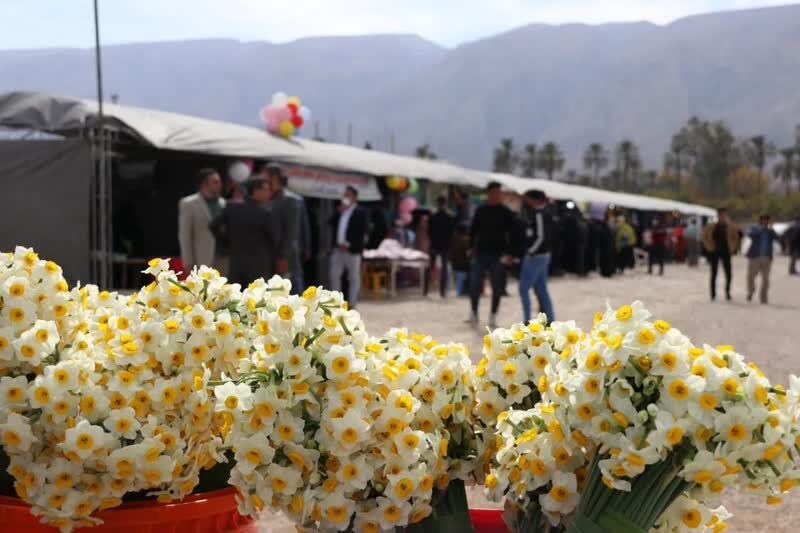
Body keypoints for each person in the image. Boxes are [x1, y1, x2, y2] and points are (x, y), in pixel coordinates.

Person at [209, 177, 277, 286]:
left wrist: (225, 242)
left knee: (236, 298)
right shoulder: (265, 213)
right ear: (255, 191)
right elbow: (274, 239)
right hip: (259, 266)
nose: (269, 193)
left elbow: (213, 226)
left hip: (236, 263)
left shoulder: (232, 207)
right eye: (266, 189)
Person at [468, 182, 515, 328]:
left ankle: (493, 315)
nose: (497, 195)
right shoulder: (481, 210)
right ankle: (474, 312)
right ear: (488, 193)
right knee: (475, 284)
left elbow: (512, 234)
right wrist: (470, 247)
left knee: (497, 286)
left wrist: (510, 253)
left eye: (499, 192)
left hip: (498, 254)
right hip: (481, 253)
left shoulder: (506, 212)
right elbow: (473, 230)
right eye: (494, 192)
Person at [263, 164, 306, 292]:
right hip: (268, 260)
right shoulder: (265, 199)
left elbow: (291, 233)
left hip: (286, 262)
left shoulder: (289, 200)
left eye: (265, 176)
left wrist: (283, 257)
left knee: (293, 298)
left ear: (275, 177)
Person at [178, 168, 226, 273]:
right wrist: (188, 262)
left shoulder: (223, 203)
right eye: (215, 182)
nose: (220, 185)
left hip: (224, 258)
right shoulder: (189, 203)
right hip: (203, 259)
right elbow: (185, 235)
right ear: (204, 184)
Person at [518, 190, 555, 323]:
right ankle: (550, 320)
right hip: (544, 254)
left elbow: (540, 236)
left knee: (523, 289)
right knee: (542, 290)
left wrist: (530, 251)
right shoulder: (546, 213)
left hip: (536, 256)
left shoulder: (539, 214)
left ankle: (527, 320)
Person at [329, 186, 368, 307]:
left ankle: (352, 304)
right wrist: (339, 211)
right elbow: (329, 222)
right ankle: (336, 303)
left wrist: (350, 244)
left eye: (348, 195)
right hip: (338, 249)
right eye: (345, 195)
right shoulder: (341, 211)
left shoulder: (360, 212)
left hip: (352, 250)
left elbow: (363, 231)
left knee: (353, 278)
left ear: (354, 198)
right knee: (334, 275)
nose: (346, 197)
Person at [702, 208, 739, 301]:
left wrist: (733, 247)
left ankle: (727, 292)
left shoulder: (731, 226)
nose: (722, 217)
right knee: (713, 273)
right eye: (721, 215)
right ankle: (713, 294)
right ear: (718, 216)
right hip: (714, 251)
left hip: (726, 252)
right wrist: (709, 247)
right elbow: (704, 237)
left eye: (724, 215)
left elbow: (736, 237)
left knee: (728, 274)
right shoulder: (711, 226)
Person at [746, 214, 780, 304]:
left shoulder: (770, 231)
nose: (765, 221)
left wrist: (771, 229)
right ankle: (751, 291)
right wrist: (761, 229)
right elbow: (750, 235)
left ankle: (763, 298)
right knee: (750, 277)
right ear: (760, 220)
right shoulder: (754, 227)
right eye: (764, 220)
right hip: (755, 257)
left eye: (767, 220)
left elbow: (778, 238)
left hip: (766, 258)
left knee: (766, 280)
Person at [427, 196, 455, 297]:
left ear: (437, 203)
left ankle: (425, 289)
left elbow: (429, 231)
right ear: (445, 204)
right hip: (445, 245)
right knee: (443, 269)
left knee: (430, 267)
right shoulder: (450, 216)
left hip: (434, 244)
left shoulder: (432, 216)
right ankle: (442, 292)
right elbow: (452, 232)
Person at [449, 223, 471, 296]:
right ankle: (463, 290)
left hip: (456, 262)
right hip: (464, 262)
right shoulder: (467, 240)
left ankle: (460, 291)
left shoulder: (453, 239)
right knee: (463, 276)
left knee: (459, 276)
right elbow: (469, 252)